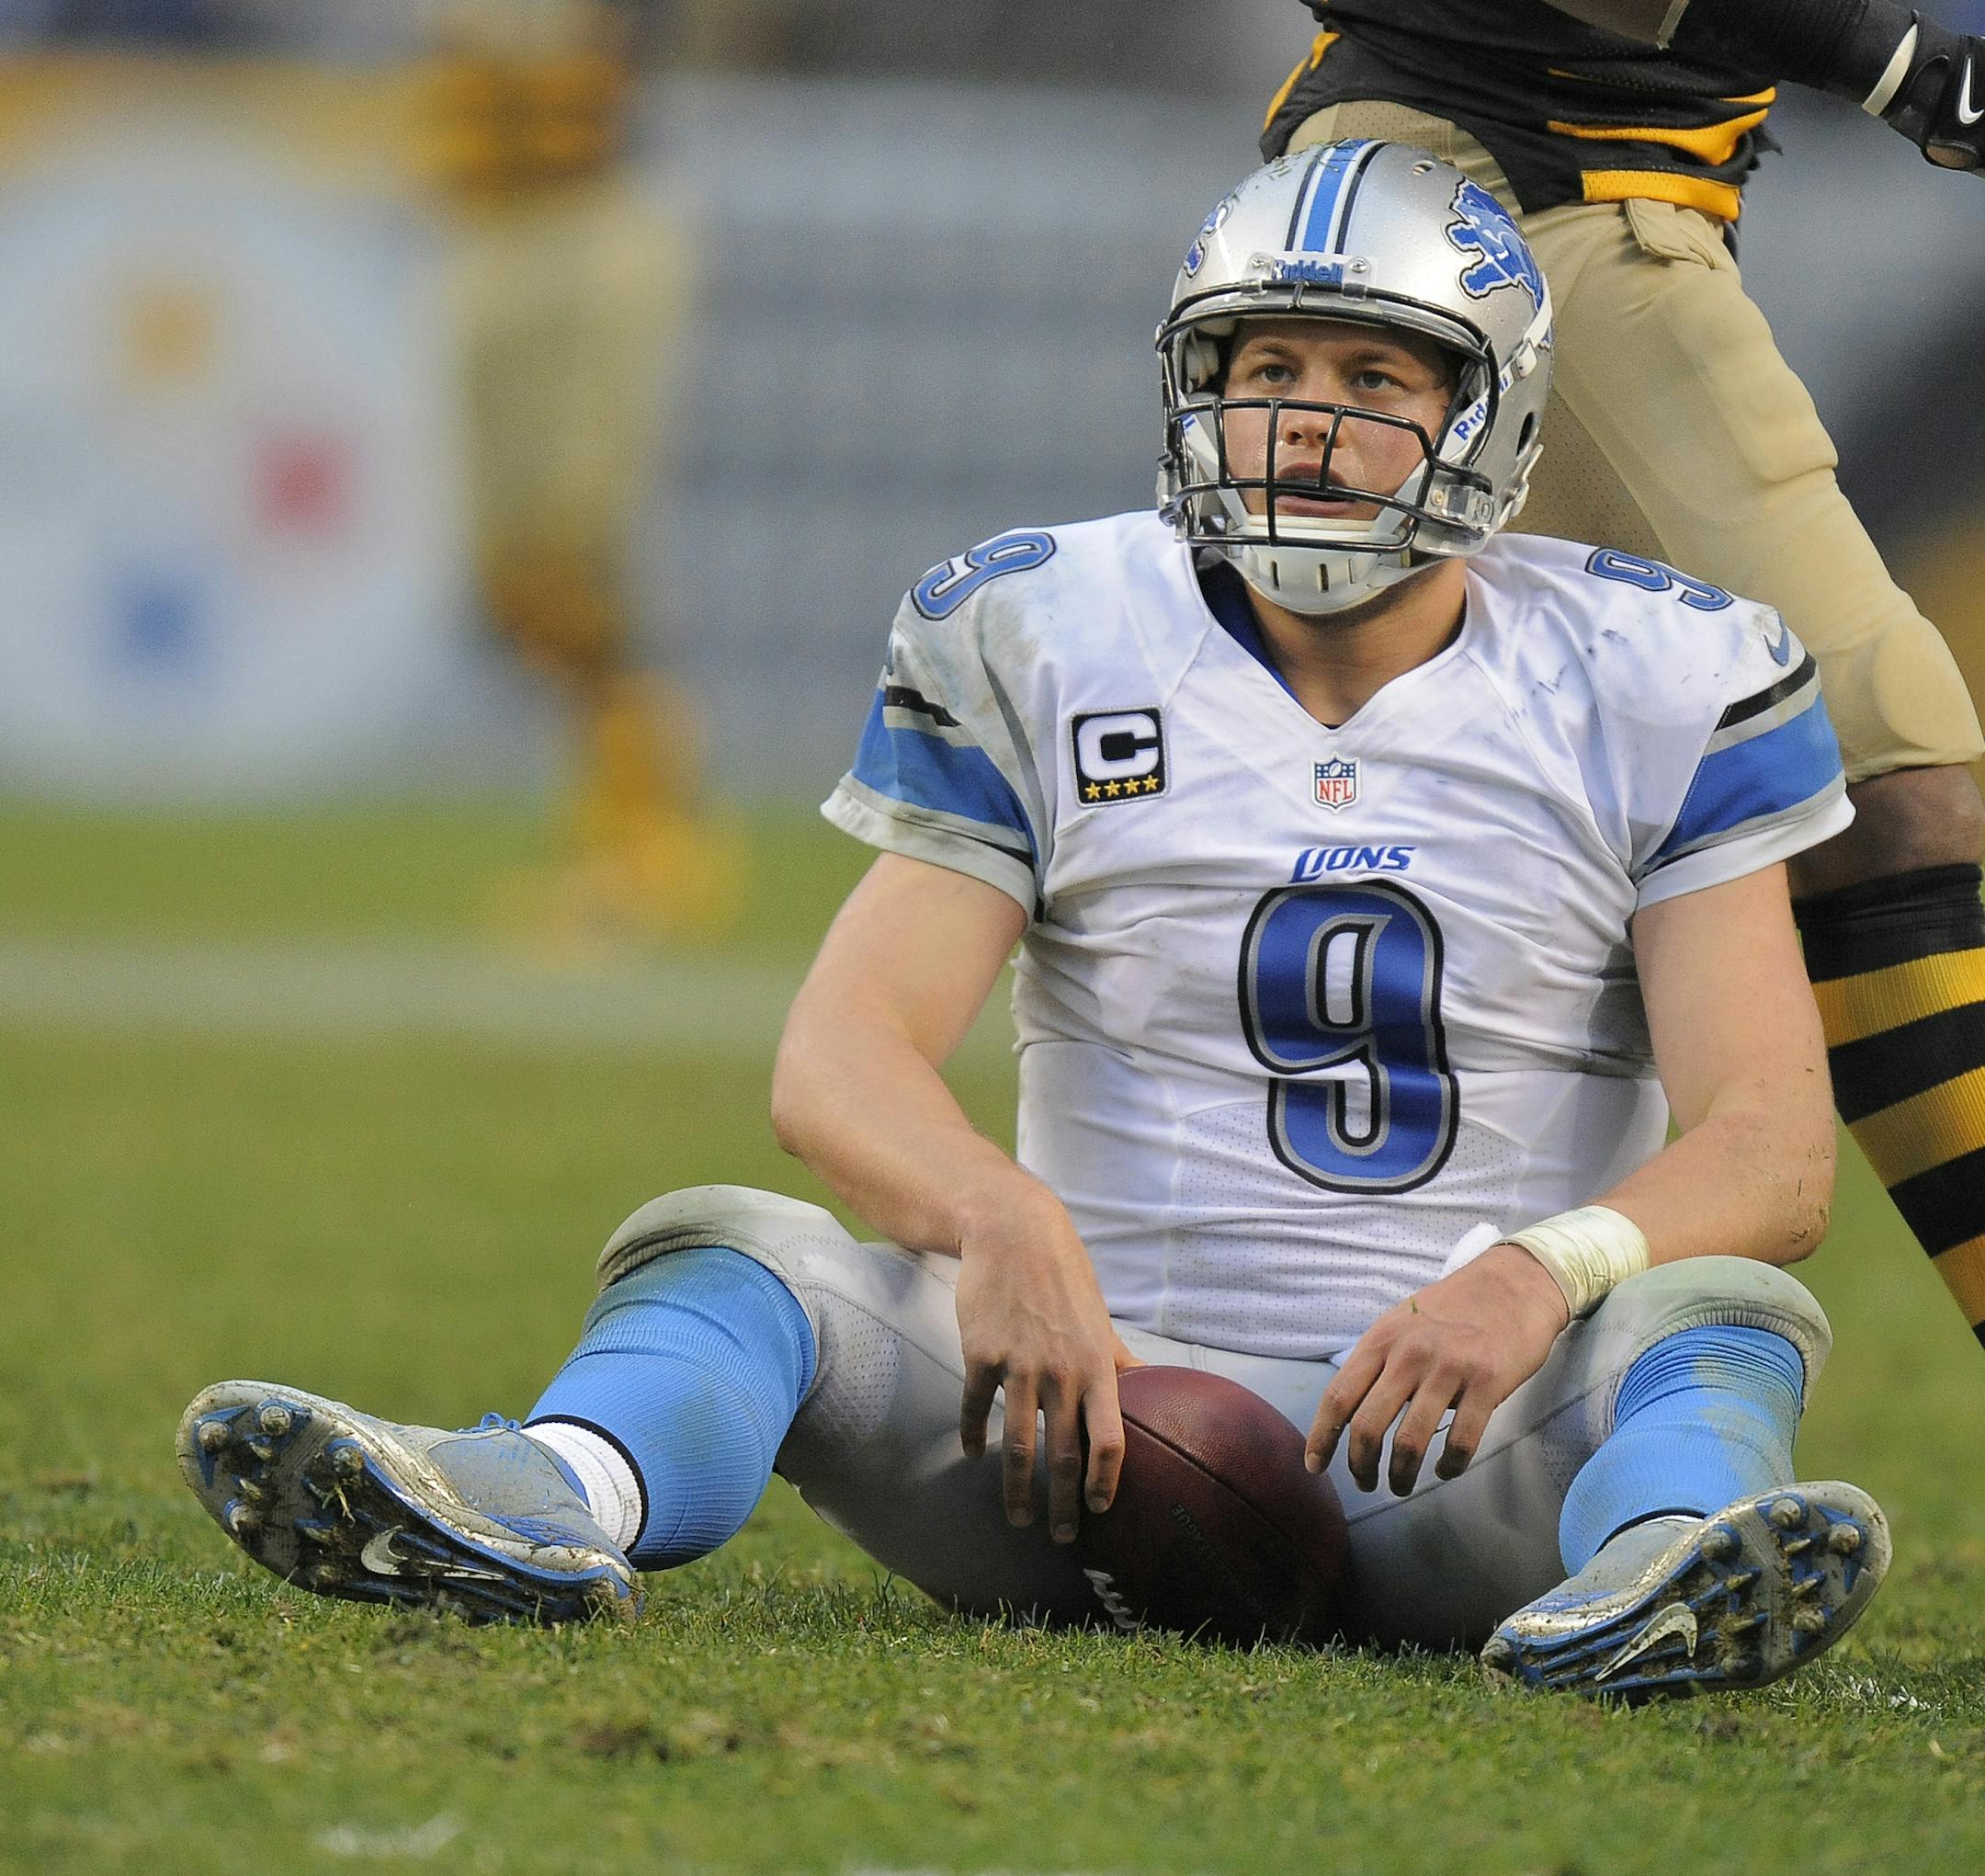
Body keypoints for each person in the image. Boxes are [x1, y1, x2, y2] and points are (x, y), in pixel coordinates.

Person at [178, 143, 1890, 1698]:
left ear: (1488, 411)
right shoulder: (1056, 631)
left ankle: (1663, 1560)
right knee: (740, 1247)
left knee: (1711, 1307)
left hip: (1474, 1441)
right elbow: (843, 1054)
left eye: (1374, 378)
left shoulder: (1658, 673)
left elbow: (1772, 1148)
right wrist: (996, 1215)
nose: (1306, 423)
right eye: (1265, 371)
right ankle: (548, 1493)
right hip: (1078, 1419)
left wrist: (1536, 1272)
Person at [1260, 1, 1985, 1355]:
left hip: (1517, 178)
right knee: (1882, 773)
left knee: (1547, 847)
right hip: (1512, 182)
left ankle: (1360, 1351)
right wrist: (1904, 66)